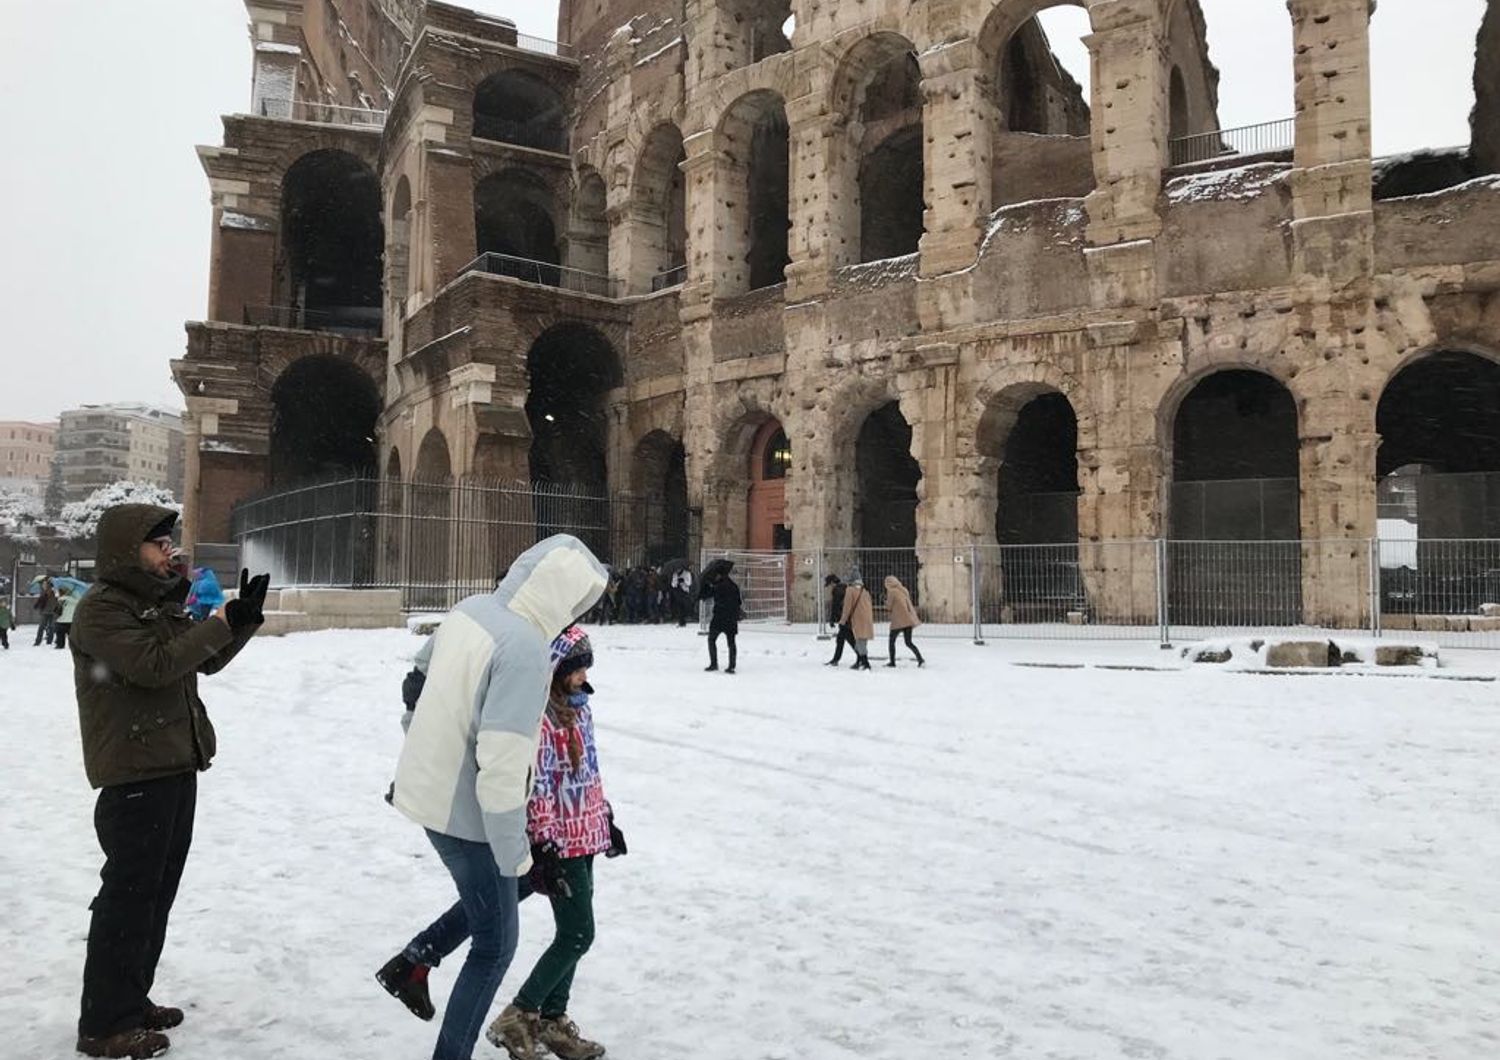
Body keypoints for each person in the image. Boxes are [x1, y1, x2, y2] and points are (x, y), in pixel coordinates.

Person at [380, 534, 607, 1060]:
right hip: (469, 817)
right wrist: (517, 857)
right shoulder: (526, 647)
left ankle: (415, 963)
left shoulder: (471, 609)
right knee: (495, 945)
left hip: (430, 797)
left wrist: (418, 742)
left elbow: (416, 680)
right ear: (559, 592)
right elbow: (502, 768)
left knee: (488, 927)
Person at [71, 505, 268, 1059]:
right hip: (134, 775)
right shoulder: (103, 611)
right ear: (126, 550)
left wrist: (242, 619)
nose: (170, 552)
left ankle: (130, 1000)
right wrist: (218, 620)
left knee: (155, 897)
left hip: (173, 766)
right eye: (158, 544)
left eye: (169, 543)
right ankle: (104, 1024)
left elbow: (201, 663)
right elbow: (157, 665)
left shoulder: (152, 603)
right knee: (127, 902)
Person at [487, 625, 624, 1060]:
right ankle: (520, 1013)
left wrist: (606, 817)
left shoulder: (581, 710)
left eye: (586, 668)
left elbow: (590, 773)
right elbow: (540, 786)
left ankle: (552, 1020)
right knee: (579, 933)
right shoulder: (540, 719)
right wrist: (542, 844)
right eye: (577, 668)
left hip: (586, 833)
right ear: (557, 670)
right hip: (559, 841)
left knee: (574, 931)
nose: (584, 676)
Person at [699, 558, 742, 674]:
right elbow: (739, 602)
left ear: (719, 574)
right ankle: (731, 666)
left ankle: (714, 663)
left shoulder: (718, 586)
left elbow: (705, 596)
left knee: (711, 639)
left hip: (719, 617)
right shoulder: (733, 586)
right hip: (731, 618)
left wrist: (707, 587)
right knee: (731, 642)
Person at [883, 574, 925, 668]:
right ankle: (920, 659)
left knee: (891, 642)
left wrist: (885, 601)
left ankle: (892, 662)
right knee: (908, 642)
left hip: (898, 621)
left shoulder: (892, 592)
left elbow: (889, 607)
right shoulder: (903, 590)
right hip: (908, 620)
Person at [838, 573, 875, 671]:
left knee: (859, 641)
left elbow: (847, 607)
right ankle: (859, 661)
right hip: (867, 618)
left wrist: (843, 620)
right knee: (863, 641)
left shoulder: (850, 590)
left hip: (858, 618)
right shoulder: (865, 591)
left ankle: (865, 663)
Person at [823, 573, 855, 666]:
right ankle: (836, 659)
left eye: (830, 584)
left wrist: (832, 619)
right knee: (841, 639)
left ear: (833, 582)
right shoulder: (845, 587)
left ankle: (862, 657)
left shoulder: (837, 590)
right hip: (848, 616)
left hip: (843, 618)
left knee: (850, 640)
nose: (830, 586)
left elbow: (835, 605)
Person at [55, 582, 83, 651]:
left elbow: (78, 602)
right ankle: (65, 645)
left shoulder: (61, 599)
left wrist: (65, 598)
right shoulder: (70, 599)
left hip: (65, 620)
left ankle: (63, 645)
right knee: (67, 635)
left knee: (65, 636)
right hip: (66, 620)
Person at [33, 578, 59, 646]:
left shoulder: (54, 593)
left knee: (50, 627)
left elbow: (56, 602)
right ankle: (39, 641)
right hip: (46, 612)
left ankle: (47, 641)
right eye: (43, 585)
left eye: (45, 585)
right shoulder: (43, 593)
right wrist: (37, 605)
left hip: (51, 612)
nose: (43, 586)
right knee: (44, 627)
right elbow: (40, 601)